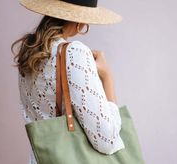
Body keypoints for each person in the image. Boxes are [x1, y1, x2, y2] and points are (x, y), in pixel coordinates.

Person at [11, 0, 125, 163]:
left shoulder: (29, 50)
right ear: (82, 21)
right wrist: (107, 75)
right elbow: (107, 139)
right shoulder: (74, 52)